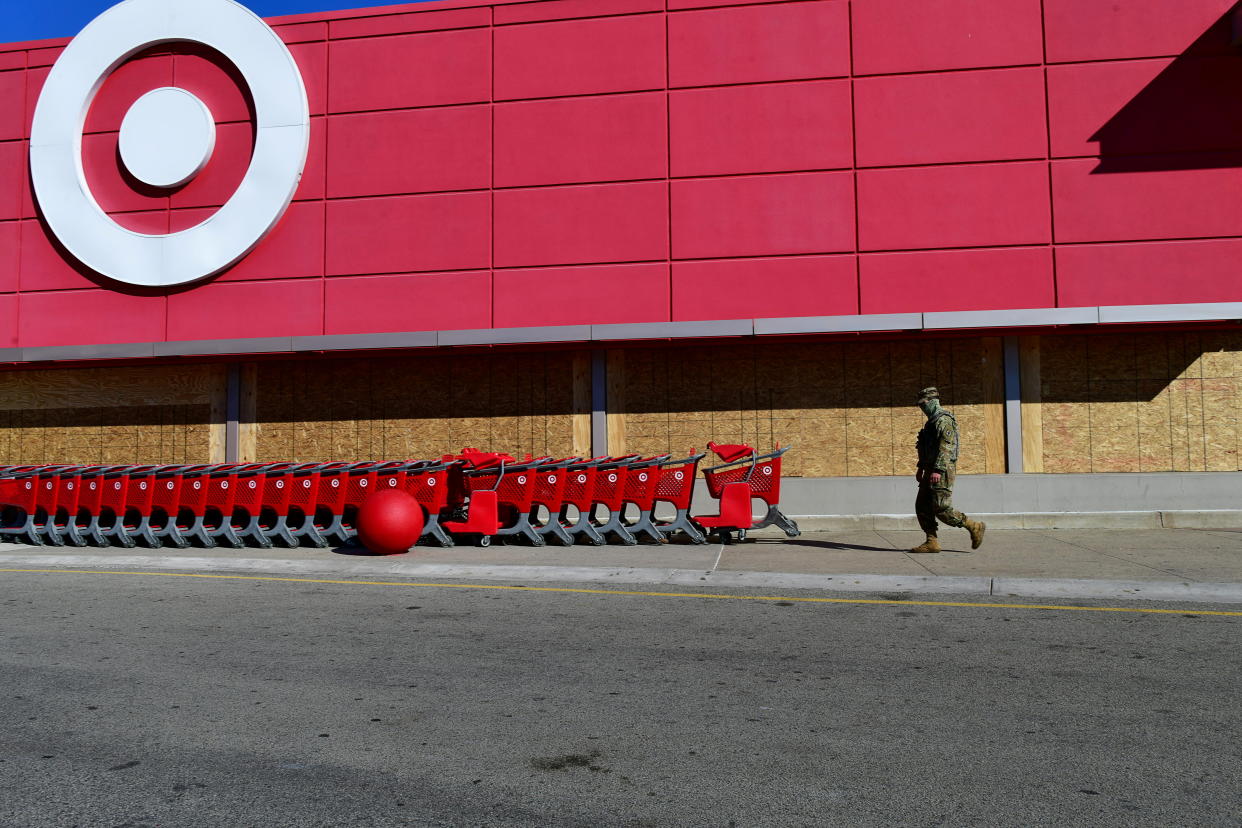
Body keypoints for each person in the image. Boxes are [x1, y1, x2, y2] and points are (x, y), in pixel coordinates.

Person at [911, 387, 986, 553]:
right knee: (922, 505)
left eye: (923, 404)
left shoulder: (944, 420)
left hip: (941, 470)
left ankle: (973, 526)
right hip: (929, 468)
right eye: (920, 405)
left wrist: (937, 470)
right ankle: (932, 542)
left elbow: (946, 447)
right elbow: (925, 447)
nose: (922, 408)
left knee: (941, 507)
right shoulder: (931, 422)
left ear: (932, 401)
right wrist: (921, 467)